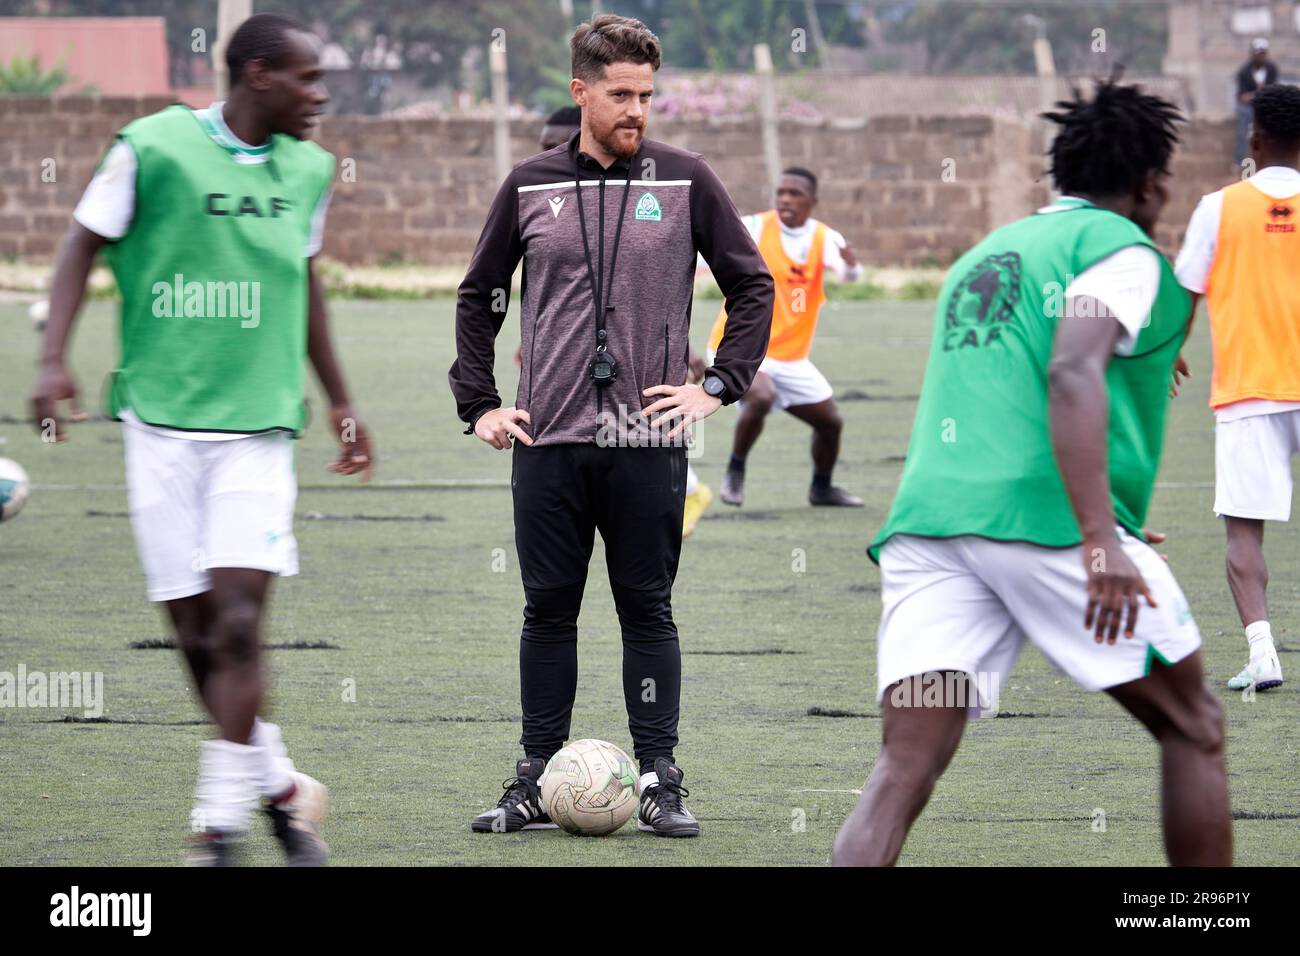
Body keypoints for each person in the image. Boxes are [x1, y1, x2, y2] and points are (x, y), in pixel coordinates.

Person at [833, 80, 1230, 866]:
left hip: (931, 529)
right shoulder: (1121, 251)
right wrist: (1096, 537)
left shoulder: (986, 252)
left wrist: (1107, 504)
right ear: (1151, 183)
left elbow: (1009, 393)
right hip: (1046, 528)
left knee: (903, 767)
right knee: (1193, 726)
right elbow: (1071, 374)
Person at [30, 13, 375, 866]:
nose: (319, 94)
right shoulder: (149, 148)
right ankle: (285, 790)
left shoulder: (310, 169)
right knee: (193, 635)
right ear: (257, 75)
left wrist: (340, 399)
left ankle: (217, 829)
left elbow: (304, 282)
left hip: (258, 429)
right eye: (305, 77)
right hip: (157, 423)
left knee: (239, 623)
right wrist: (50, 361)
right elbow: (82, 246)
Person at [450, 14, 773, 837]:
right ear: (581, 92)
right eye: (621, 95)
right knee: (547, 613)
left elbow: (752, 286)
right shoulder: (528, 184)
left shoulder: (687, 179)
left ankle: (662, 778)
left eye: (647, 95)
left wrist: (719, 386)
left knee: (647, 609)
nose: (637, 110)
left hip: (647, 442)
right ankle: (533, 777)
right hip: (548, 440)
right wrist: (479, 404)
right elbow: (479, 294)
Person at [1173, 83, 1300, 692]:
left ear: (1254, 139)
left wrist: (1171, 351)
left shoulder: (1218, 206)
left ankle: (1263, 653)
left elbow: (1185, 292)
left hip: (1250, 391)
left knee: (1244, 532)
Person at [705, 167, 864, 508]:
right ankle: (735, 470)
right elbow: (711, 251)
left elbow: (851, 275)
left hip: (791, 356)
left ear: (812, 201)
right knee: (761, 396)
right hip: (740, 347)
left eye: (795, 194)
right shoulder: (755, 226)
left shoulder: (825, 238)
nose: (786, 200)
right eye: (782, 193)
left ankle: (822, 488)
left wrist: (850, 266)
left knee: (831, 423)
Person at [1236, 38, 1278, 167]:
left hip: (1266, 106)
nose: (1260, 57)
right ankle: (1240, 162)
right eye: (1258, 53)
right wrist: (1259, 93)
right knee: (1243, 130)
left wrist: (1255, 94)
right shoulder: (1244, 71)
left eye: (1263, 53)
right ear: (1252, 54)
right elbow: (1242, 97)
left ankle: (1271, 162)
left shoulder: (1271, 69)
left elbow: (1273, 91)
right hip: (1248, 108)